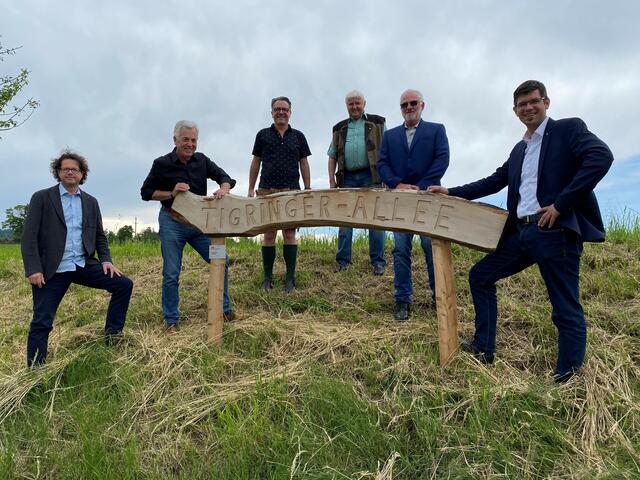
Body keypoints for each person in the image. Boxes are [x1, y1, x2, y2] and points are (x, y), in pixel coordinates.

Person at [428, 80, 613, 382]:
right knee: (481, 276)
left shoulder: (568, 130)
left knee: (565, 307)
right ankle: (483, 349)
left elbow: (601, 157)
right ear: (515, 111)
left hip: (554, 231)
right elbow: (494, 180)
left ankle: (567, 379)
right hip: (522, 233)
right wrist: (450, 192)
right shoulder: (520, 149)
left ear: (546, 102)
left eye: (534, 101)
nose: (528, 108)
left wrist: (561, 204)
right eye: (522, 104)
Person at [21, 150, 133, 366]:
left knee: (123, 284)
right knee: (42, 321)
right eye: (65, 169)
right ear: (58, 172)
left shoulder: (91, 202)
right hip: (51, 270)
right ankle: (35, 371)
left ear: (82, 174)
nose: (70, 172)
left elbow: (100, 235)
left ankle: (112, 339)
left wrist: (106, 260)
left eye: (75, 169)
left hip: (82, 264)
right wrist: (34, 269)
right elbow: (29, 237)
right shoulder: (42, 198)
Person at [140, 120, 236, 334]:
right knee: (172, 273)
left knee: (221, 260)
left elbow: (226, 177)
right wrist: (171, 193)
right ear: (175, 140)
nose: (190, 144)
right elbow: (146, 193)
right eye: (185, 140)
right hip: (171, 222)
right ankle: (171, 320)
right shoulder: (162, 163)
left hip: (199, 224)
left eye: (193, 140)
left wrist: (223, 189)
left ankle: (224, 309)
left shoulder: (202, 161)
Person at [377, 89, 450, 321]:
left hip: (428, 197)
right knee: (400, 250)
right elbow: (383, 163)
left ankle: (438, 297)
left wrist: (421, 186)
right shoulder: (390, 136)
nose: (409, 107)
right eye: (404, 105)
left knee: (431, 247)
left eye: (413, 103)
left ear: (422, 105)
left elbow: (442, 159)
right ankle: (402, 299)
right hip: (400, 201)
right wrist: (397, 185)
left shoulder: (437, 130)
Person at [248, 96, 311, 293]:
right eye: (277, 109)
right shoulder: (262, 135)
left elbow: (304, 163)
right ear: (272, 112)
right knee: (269, 234)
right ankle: (267, 278)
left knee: (290, 234)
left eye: (285, 109)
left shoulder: (298, 136)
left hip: (291, 190)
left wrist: (307, 188)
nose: (281, 112)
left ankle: (290, 279)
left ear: (290, 112)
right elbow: (256, 161)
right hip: (267, 189)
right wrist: (251, 188)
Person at [328, 90, 387, 275]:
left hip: (373, 176)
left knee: (375, 220)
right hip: (347, 177)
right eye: (350, 104)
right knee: (345, 219)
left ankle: (378, 261)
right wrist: (331, 179)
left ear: (364, 104)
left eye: (357, 103)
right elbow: (332, 155)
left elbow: (387, 150)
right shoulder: (339, 128)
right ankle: (343, 262)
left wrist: (387, 176)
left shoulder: (378, 123)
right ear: (347, 106)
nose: (354, 107)